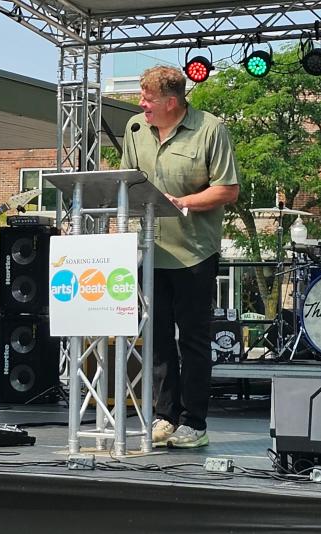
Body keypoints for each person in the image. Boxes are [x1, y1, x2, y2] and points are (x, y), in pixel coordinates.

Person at [120, 65, 240, 449]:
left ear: (172, 102)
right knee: (156, 341)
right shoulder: (135, 129)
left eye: (148, 99)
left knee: (193, 340)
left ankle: (194, 422)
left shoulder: (210, 129)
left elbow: (228, 189)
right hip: (150, 252)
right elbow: (126, 183)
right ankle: (164, 416)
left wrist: (183, 202)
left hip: (194, 253)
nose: (141, 105)